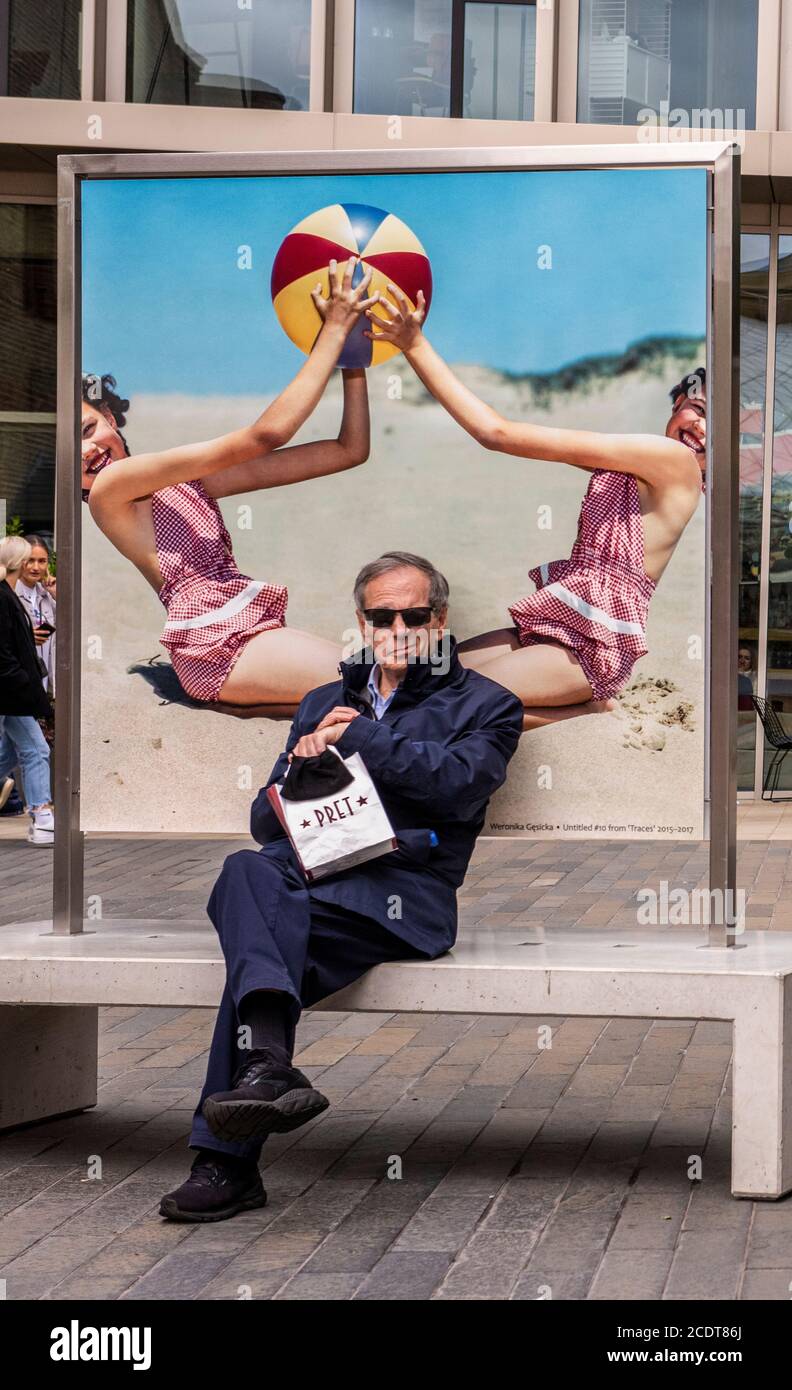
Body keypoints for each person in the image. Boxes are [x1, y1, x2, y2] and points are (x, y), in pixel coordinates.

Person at [159, 551, 524, 1222]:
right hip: (316, 885)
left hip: (402, 900)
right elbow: (266, 823)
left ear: (440, 620)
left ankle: (228, 1158)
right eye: (382, 616)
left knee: (257, 953)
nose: (398, 628)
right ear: (362, 622)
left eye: (415, 615)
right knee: (247, 871)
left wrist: (361, 741)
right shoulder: (322, 701)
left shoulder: (490, 705)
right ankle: (265, 1069)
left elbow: (456, 787)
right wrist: (304, 767)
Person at [364, 288, 705, 730]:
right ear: (677, 404)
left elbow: (497, 434)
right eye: (696, 409)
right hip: (559, 621)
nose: (700, 426)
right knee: (426, 674)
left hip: (591, 644)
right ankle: (584, 707)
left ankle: (584, 703)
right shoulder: (642, 459)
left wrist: (414, 345)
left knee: (440, 704)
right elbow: (519, 437)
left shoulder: (674, 463)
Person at [81, 256, 378, 710]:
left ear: (107, 415)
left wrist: (352, 360)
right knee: (380, 687)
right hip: (215, 643)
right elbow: (266, 435)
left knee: (383, 700)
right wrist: (333, 331)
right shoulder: (109, 490)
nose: (85, 451)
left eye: (86, 431)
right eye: (68, 453)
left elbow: (348, 451)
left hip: (243, 631)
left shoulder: (180, 485)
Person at [0, 537, 54, 845]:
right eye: (28, 560)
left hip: (17, 689)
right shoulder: (5, 597)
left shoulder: (15, 595)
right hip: (13, 690)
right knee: (37, 749)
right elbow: (4, 651)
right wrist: (21, 680)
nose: (33, 566)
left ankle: (42, 818)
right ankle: (42, 815)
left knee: (9, 753)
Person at [17, 534, 57, 698]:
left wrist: (56, 595)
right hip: (19, 681)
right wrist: (25, 637)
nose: (36, 567)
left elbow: (69, 632)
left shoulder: (46, 594)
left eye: (42, 561)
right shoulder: (10, 593)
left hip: (42, 678)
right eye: (30, 560)